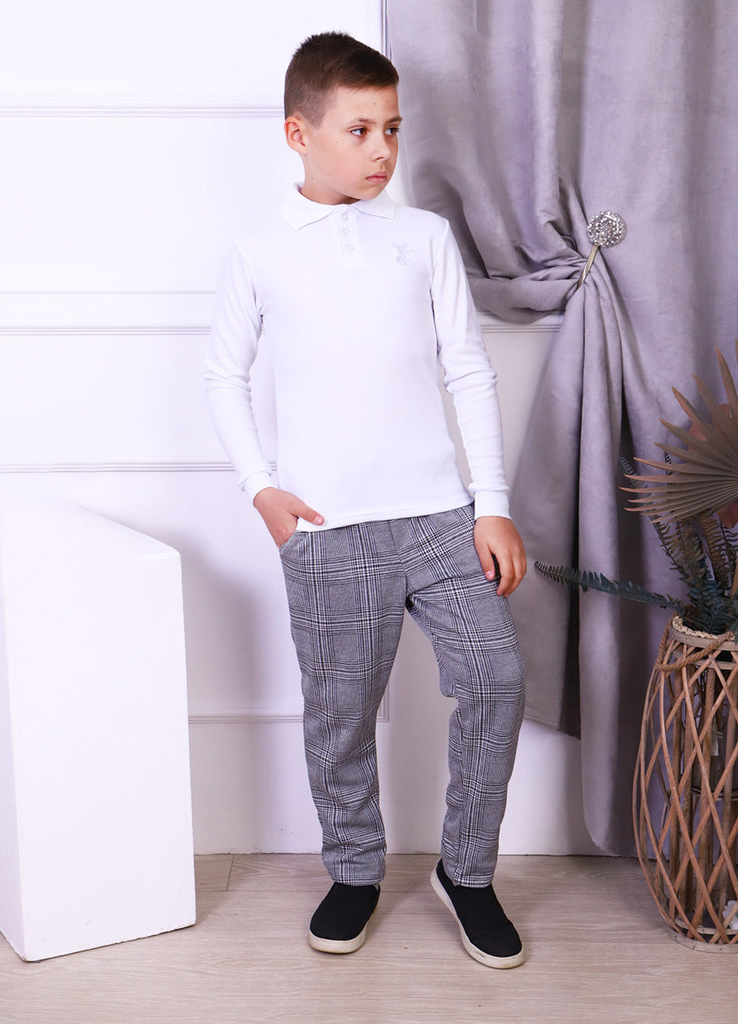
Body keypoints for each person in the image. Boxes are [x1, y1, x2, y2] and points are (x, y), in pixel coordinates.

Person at [205, 31, 527, 969]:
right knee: (340, 714)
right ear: (298, 133)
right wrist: (261, 489)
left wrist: (492, 502)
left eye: (392, 128)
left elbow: (468, 369)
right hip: (328, 529)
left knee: (496, 677)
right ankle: (353, 871)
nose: (382, 149)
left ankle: (467, 872)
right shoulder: (259, 250)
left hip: (440, 518)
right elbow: (224, 376)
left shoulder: (422, 239)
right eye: (359, 130)